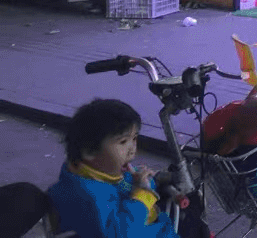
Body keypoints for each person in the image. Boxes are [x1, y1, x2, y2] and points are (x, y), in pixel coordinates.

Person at [45, 98, 178, 238]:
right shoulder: (89, 196)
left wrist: (147, 181)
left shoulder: (100, 171)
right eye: (123, 142)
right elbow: (121, 233)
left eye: (134, 138)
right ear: (90, 151)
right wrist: (143, 195)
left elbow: (125, 184)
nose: (132, 149)